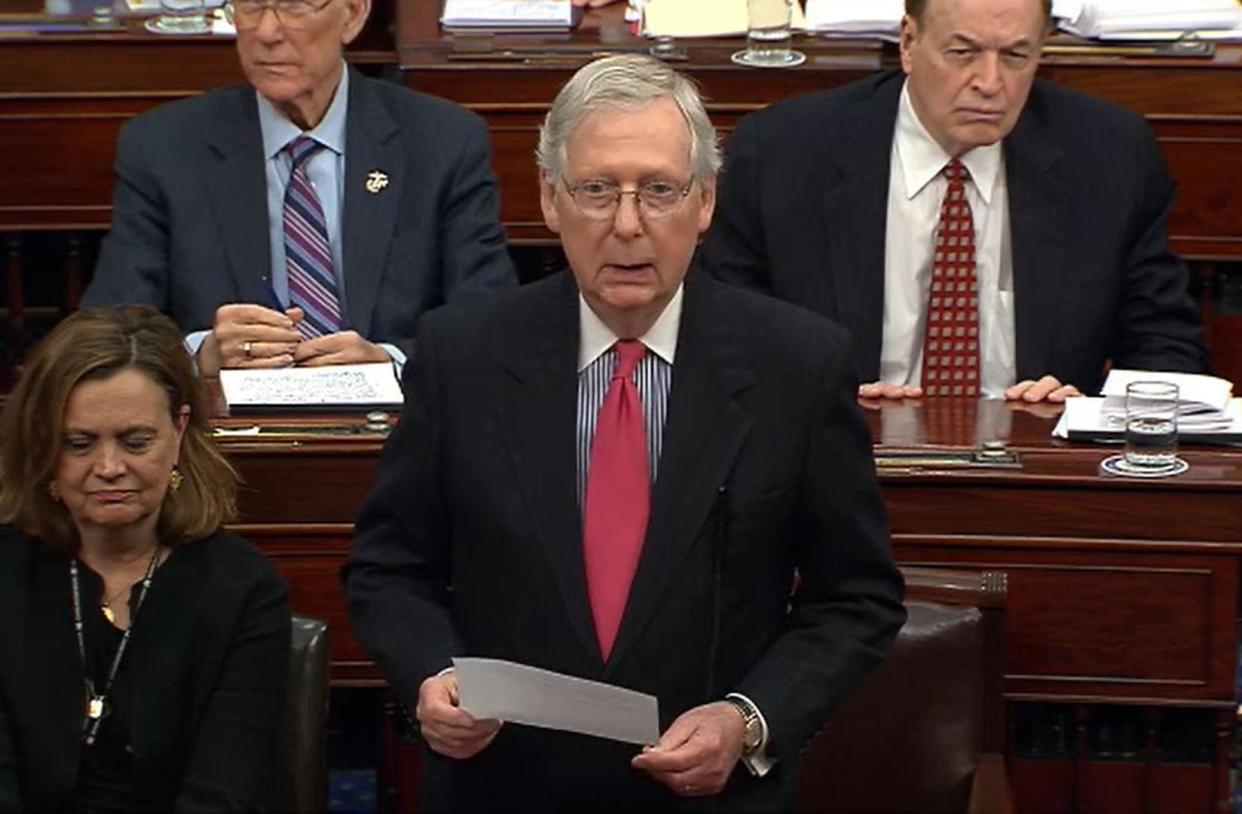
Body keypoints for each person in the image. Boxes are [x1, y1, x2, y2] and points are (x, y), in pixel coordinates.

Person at [344, 54, 905, 810]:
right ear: (550, 198)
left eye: (661, 191)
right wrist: (432, 675)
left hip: (708, 796)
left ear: (705, 202)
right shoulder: (463, 353)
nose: (628, 224)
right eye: (597, 189)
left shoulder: (796, 364)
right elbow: (388, 568)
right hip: (504, 786)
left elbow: (855, 597)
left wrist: (749, 721)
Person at [700, 0, 1208, 404]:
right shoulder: (784, 154)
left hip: (1034, 468)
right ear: (908, 43)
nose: (990, 84)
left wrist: (1089, 411)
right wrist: (822, 397)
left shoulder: (1109, 156)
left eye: (1015, 56)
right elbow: (726, 335)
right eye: (962, 53)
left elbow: (1165, 346)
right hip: (835, 458)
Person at [83, 0, 516, 376]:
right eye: (251, 6)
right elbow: (106, 333)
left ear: (352, 14)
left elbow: (490, 327)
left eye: (294, 6)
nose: (267, 32)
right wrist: (200, 354)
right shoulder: (164, 147)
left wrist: (390, 362)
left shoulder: (442, 141)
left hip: (399, 432)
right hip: (223, 437)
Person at [0, 306, 290, 811]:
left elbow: (225, 793)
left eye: (135, 442)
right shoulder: (6, 571)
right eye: (79, 443)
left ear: (178, 432)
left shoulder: (243, 590)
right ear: (44, 442)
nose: (109, 467)